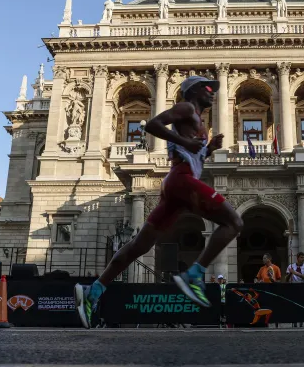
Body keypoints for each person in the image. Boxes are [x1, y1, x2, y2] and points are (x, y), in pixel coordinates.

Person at [74, 75, 243, 328]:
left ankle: (95, 290)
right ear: (194, 91)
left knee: (138, 246)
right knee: (234, 222)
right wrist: (185, 141)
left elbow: (194, 155)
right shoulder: (186, 108)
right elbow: (152, 125)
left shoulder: (200, 122)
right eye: (207, 88)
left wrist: (208, 149)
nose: (212, 92)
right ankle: (194, 275)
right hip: (181, 180)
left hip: (175, 187)